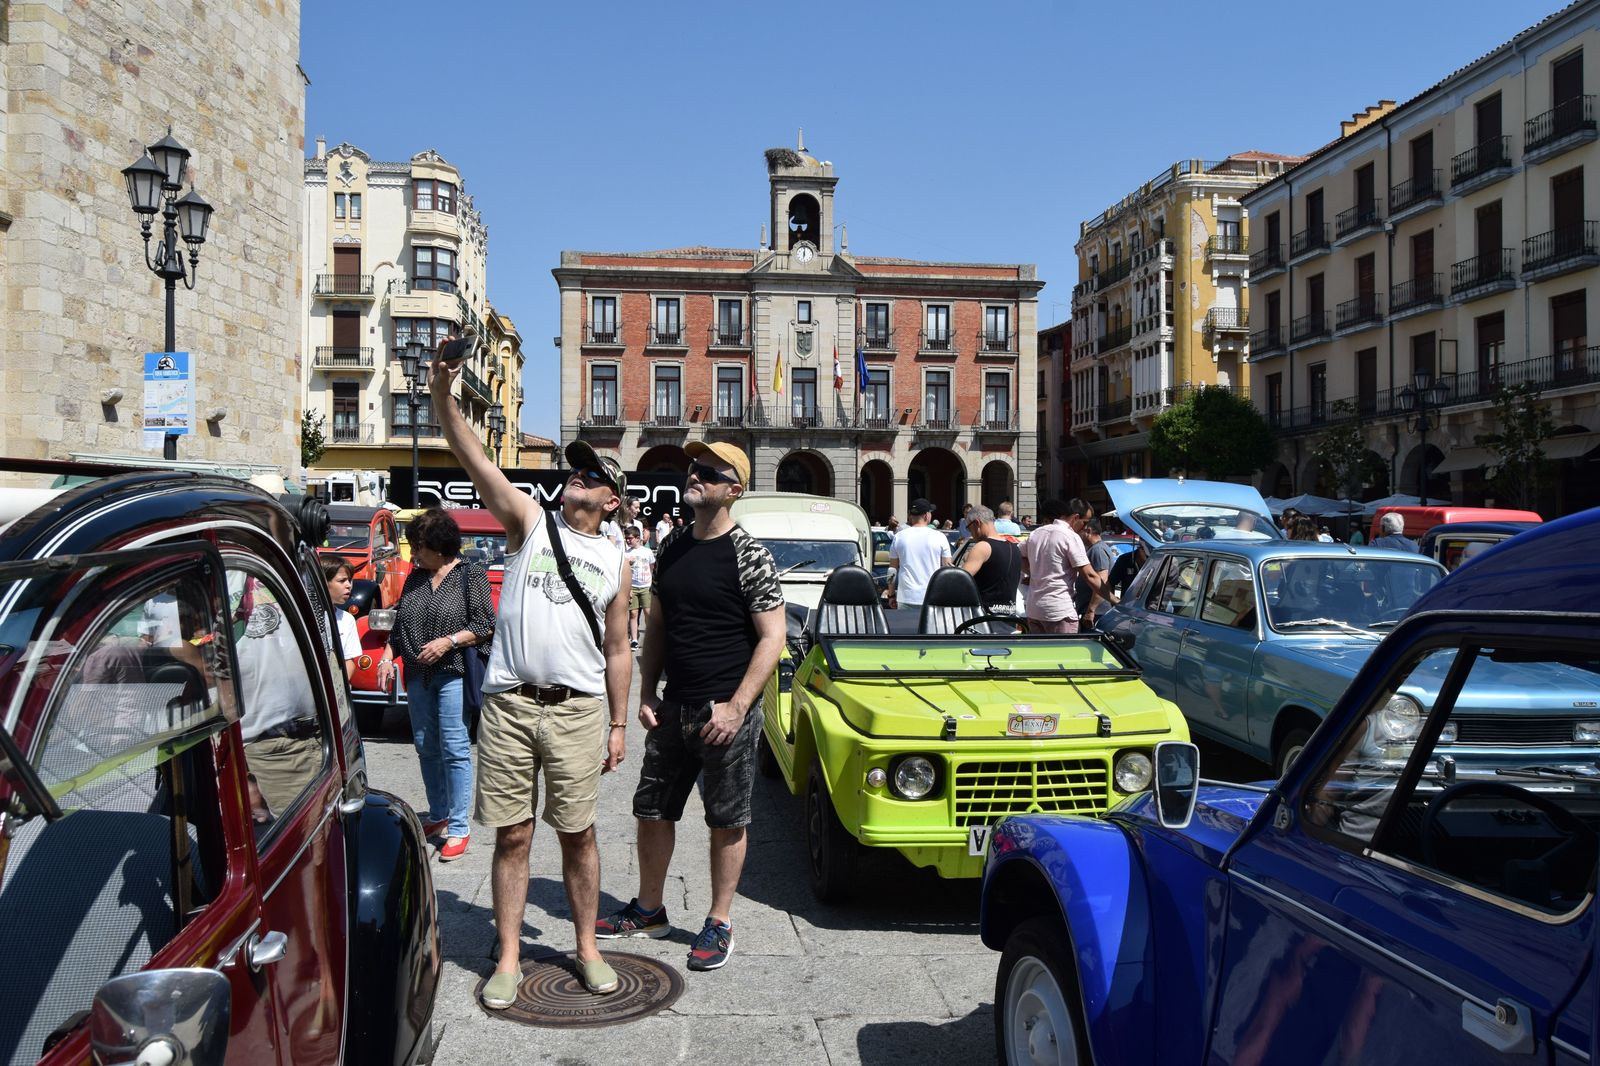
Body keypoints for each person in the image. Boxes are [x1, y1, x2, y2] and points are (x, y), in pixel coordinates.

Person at [430, 354, 634, 1005]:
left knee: (578, 833)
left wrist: (619, 724)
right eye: (576, 469)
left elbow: (619, 648)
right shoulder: (530, 520)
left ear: (611, 499)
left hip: (577, 710)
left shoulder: (616, 559)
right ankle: (511, 956)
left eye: (592, 475)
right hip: (511, 707)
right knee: (513, 833)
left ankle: (587, 949)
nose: (578, 476)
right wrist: (443, 393)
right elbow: (473, 459)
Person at [597, 440, 785, 974]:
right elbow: (657, 625)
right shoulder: (675, 546)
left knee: (726, 820)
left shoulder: (749, 553)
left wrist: (737, 707)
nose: (694, 475)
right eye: (693, 468)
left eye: (708, 471)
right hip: (673, 706)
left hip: (724, 711)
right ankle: (649, 910)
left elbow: (772, 637)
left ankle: (719, 921)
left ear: (734, 490)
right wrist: (647, 692)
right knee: (652, 810)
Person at [377, 508, 495, 865]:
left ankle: (458, 827)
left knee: (455, 747)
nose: (413, 554)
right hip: (417, 674)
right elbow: (400, 624)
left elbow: (485, 624)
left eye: (419, 547)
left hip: (453, 672)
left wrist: (448, 641)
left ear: (441, 547)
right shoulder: (416, 577)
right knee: (425, 745)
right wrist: (386, 658)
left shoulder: (470, 574)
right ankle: (439, 813)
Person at [1021, 498, 1108, 634]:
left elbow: (1017, 554)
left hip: (1034, 610)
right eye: (1085, 522)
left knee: (1040, 649)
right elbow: (1090, 575)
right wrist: (1114, 599)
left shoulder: (1035, 533)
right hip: (1059, 611)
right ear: (1075, 518)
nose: (1085, 527)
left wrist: (1033, 572)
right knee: (1065, 648)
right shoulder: (1070, 536)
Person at [887, 498, 952, 610]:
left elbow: (892, 570)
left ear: (911, 516)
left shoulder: (899, 537)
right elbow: (948, 569)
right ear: (926, 516)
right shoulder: (940, 537)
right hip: (932, 596)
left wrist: (891, 594)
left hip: (906, 596)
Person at [958, 505, 1022, 613]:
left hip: (983, 616)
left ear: (977, 523)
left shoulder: (982, 547)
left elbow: (960, 580)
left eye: (969, 528)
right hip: (1009, 615)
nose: (971, 533)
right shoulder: (1015, 548)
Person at [1074, 519, 1121, 629]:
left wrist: (1091, 610)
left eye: (1079, 531)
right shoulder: (1094, 549)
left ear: (1088, 531)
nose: (1077, 535)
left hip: (1097, 613)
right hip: (1091, 611)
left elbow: (1101, 581)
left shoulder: (1098, 550)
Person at [321, 557, 362, 681]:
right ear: (323, 582)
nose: (349, 585)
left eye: (349, 580)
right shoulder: (304, 616)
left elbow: (349, 660)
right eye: (342, 581)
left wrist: (338, 685)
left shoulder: (347, 619)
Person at [624, 527, 655, 650]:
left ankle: (650, 637)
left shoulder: (647, 552)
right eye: (626, 538)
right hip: (633, 587)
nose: (627, 540)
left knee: (648, 612)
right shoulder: (626, 553)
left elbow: (652, 567)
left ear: (637, 538)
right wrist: (627, 563)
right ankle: (634, 640)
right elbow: (624, 573)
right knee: (633, 613)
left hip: (646, 586)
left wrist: (653, 583)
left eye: (630, 538)